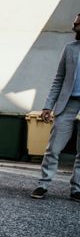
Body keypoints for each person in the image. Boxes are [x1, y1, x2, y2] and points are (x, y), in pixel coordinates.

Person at [31, 13, 80, 202]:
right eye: (74, 22)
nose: (74, 26)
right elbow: (58, 79)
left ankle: (76, 189)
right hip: (67, 103)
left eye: (77, 23)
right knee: (54, 147)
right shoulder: (70, 49)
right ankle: (43, 184)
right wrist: (47, 106)